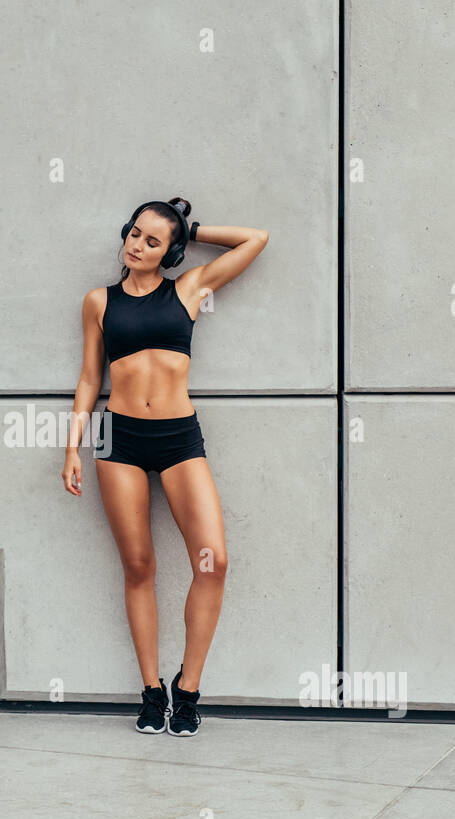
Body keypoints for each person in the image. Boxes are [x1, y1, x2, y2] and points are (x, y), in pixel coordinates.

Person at [62, 197, 267, 736]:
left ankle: (189, 687)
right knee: (138, 568)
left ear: (170, 251)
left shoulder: (189, 288)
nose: (137, 244)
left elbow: (256, 239)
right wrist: (72, 447)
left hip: (179, 439)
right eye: (134, 232)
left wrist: (190, 229)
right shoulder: (98, 302)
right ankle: (151, 691)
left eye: (153, 240)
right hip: (119, 441)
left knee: (213, 562)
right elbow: (89, 377)